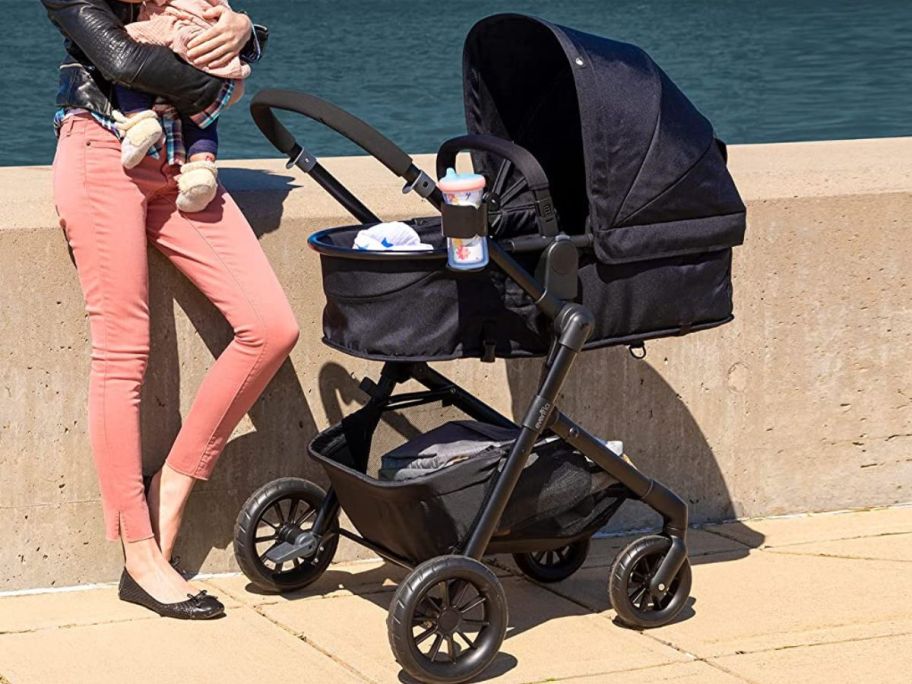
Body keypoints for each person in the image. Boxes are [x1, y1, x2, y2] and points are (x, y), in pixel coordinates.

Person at [43, 0, 298, 620]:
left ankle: (174, 484)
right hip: (104, 153)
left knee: (270, 327)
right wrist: (238, 56)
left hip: (182, 165)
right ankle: (139, 551)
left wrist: (239, 28)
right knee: (123, 352)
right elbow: (123, 57)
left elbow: (201, 23)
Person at [114, 0, 251, 212]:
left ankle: (139, 119)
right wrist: (240, 20)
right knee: (200, 114)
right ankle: (201, 172)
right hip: (207, 33)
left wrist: (243, 25)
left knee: (126, 44)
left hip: (179, 29)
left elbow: (123, 62)